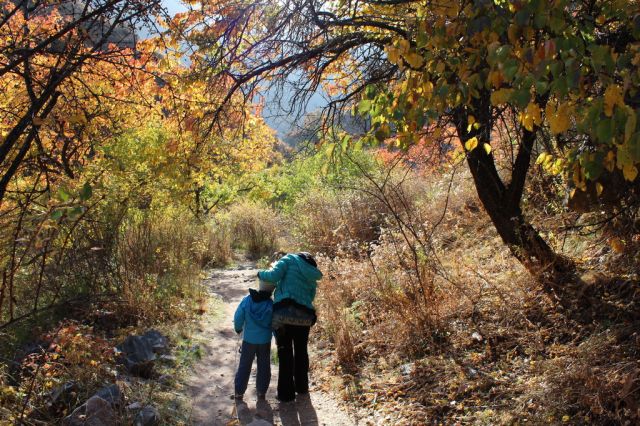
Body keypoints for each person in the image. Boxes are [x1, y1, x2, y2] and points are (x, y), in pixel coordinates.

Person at [257, 252, 323, 402]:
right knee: (301, 351)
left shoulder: (288, 259)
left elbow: (273, 276)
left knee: (285, 352)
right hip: (305, 317)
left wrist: (260, 273)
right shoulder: (312, 272)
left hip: (283, 315)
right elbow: (311, 296)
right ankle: (302, 387)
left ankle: (286, 394)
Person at [233, 280, 274, 400]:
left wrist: (238, 328)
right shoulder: (270, 304)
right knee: (264, 366)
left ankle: (239, 392)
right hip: (265, 341)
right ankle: (261, 392)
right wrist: (277, 337)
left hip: (249, 340)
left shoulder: (247, 299)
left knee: (244, 365)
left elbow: (238, 316)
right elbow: (275, 322)